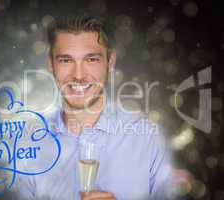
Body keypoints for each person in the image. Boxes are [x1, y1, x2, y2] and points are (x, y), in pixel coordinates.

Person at [15, 14, 176, 200]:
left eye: (91, 60)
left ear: (111, 62)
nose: (78, 75)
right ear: (51, 64)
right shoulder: (26, 144)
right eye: (66, 60)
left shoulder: (149, 139)